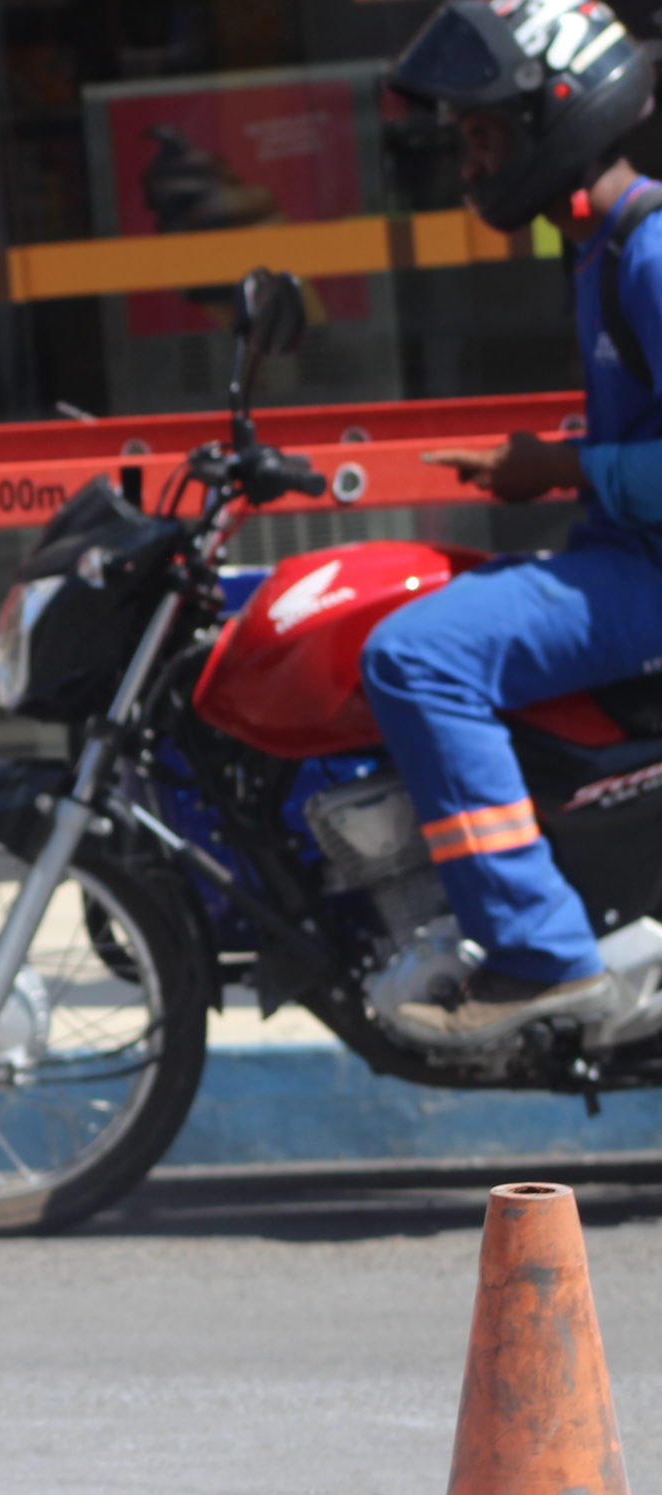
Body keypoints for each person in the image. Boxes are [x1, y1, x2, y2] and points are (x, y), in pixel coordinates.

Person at [369, 0, 662, 1045]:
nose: (468, 161)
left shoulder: (648, 252)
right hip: (623, 556)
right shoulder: (600, 250)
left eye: (485, 133)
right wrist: (544, 470)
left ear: (560, 119)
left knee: (415, 656)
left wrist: (563, 467)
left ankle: (540, 951)